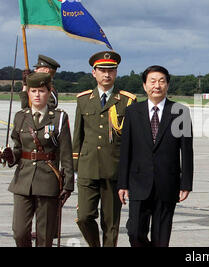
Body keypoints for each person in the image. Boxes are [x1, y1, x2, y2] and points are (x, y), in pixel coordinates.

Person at [117, 65, 194, 247]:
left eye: (161, 81)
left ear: (167, 85)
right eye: (152, 81)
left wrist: (186, 183)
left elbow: (187, 150)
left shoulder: (180, 112)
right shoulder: (132, 112)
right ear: (144, 86)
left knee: (161, 238)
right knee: (135, 232)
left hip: (167, 184)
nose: (157, 86)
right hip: (138, 183)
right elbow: (125, 150)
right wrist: (122, 183)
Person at [72, 51, 137, 247]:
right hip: (87, 168)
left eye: (111, 70)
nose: (106, 74)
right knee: (83, 217)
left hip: (113, 170)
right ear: (94, 73)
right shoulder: (83, 100)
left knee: (111, 224)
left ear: (116, 73)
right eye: (102, 70)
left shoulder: (126, 100)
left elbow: (132, 140)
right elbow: (78, 136)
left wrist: (130, 173)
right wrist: (75, 168)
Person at [1, 72, 74, 247]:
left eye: (41, 91)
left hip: (48, 180)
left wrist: (68, 183)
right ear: (28, 93)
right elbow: (18, 148)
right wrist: (10, 155)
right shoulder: (21, 117)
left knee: (44, 236)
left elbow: (66, 153)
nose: (37, 95)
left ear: (49, 92)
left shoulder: (58, 118)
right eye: (33, 91)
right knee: (19, 232)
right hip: (23, 180)